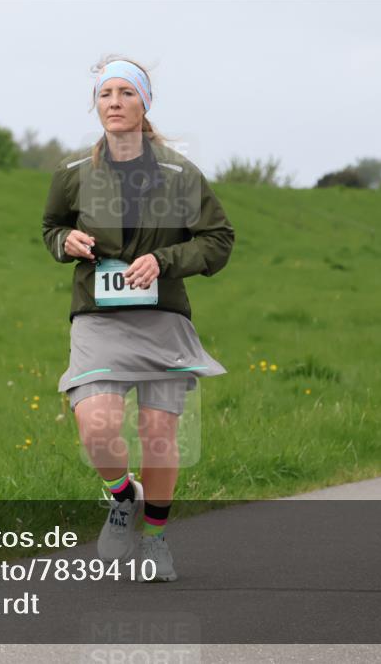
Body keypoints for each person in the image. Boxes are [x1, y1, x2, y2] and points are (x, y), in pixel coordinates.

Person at [41, 57, 234, 581]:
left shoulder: (178, 172)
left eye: (127, 93)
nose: (115, 103)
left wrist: (163, 261)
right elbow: (51, 228)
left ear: (144, 103)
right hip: (99, 317)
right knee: (96, 426)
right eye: (106, 94)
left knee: (157, 434)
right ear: (95, 104)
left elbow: (218, 241)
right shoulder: (74, 173)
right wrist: (67, 242)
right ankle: (123, 496)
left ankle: (155, 541)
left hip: (161, 319)